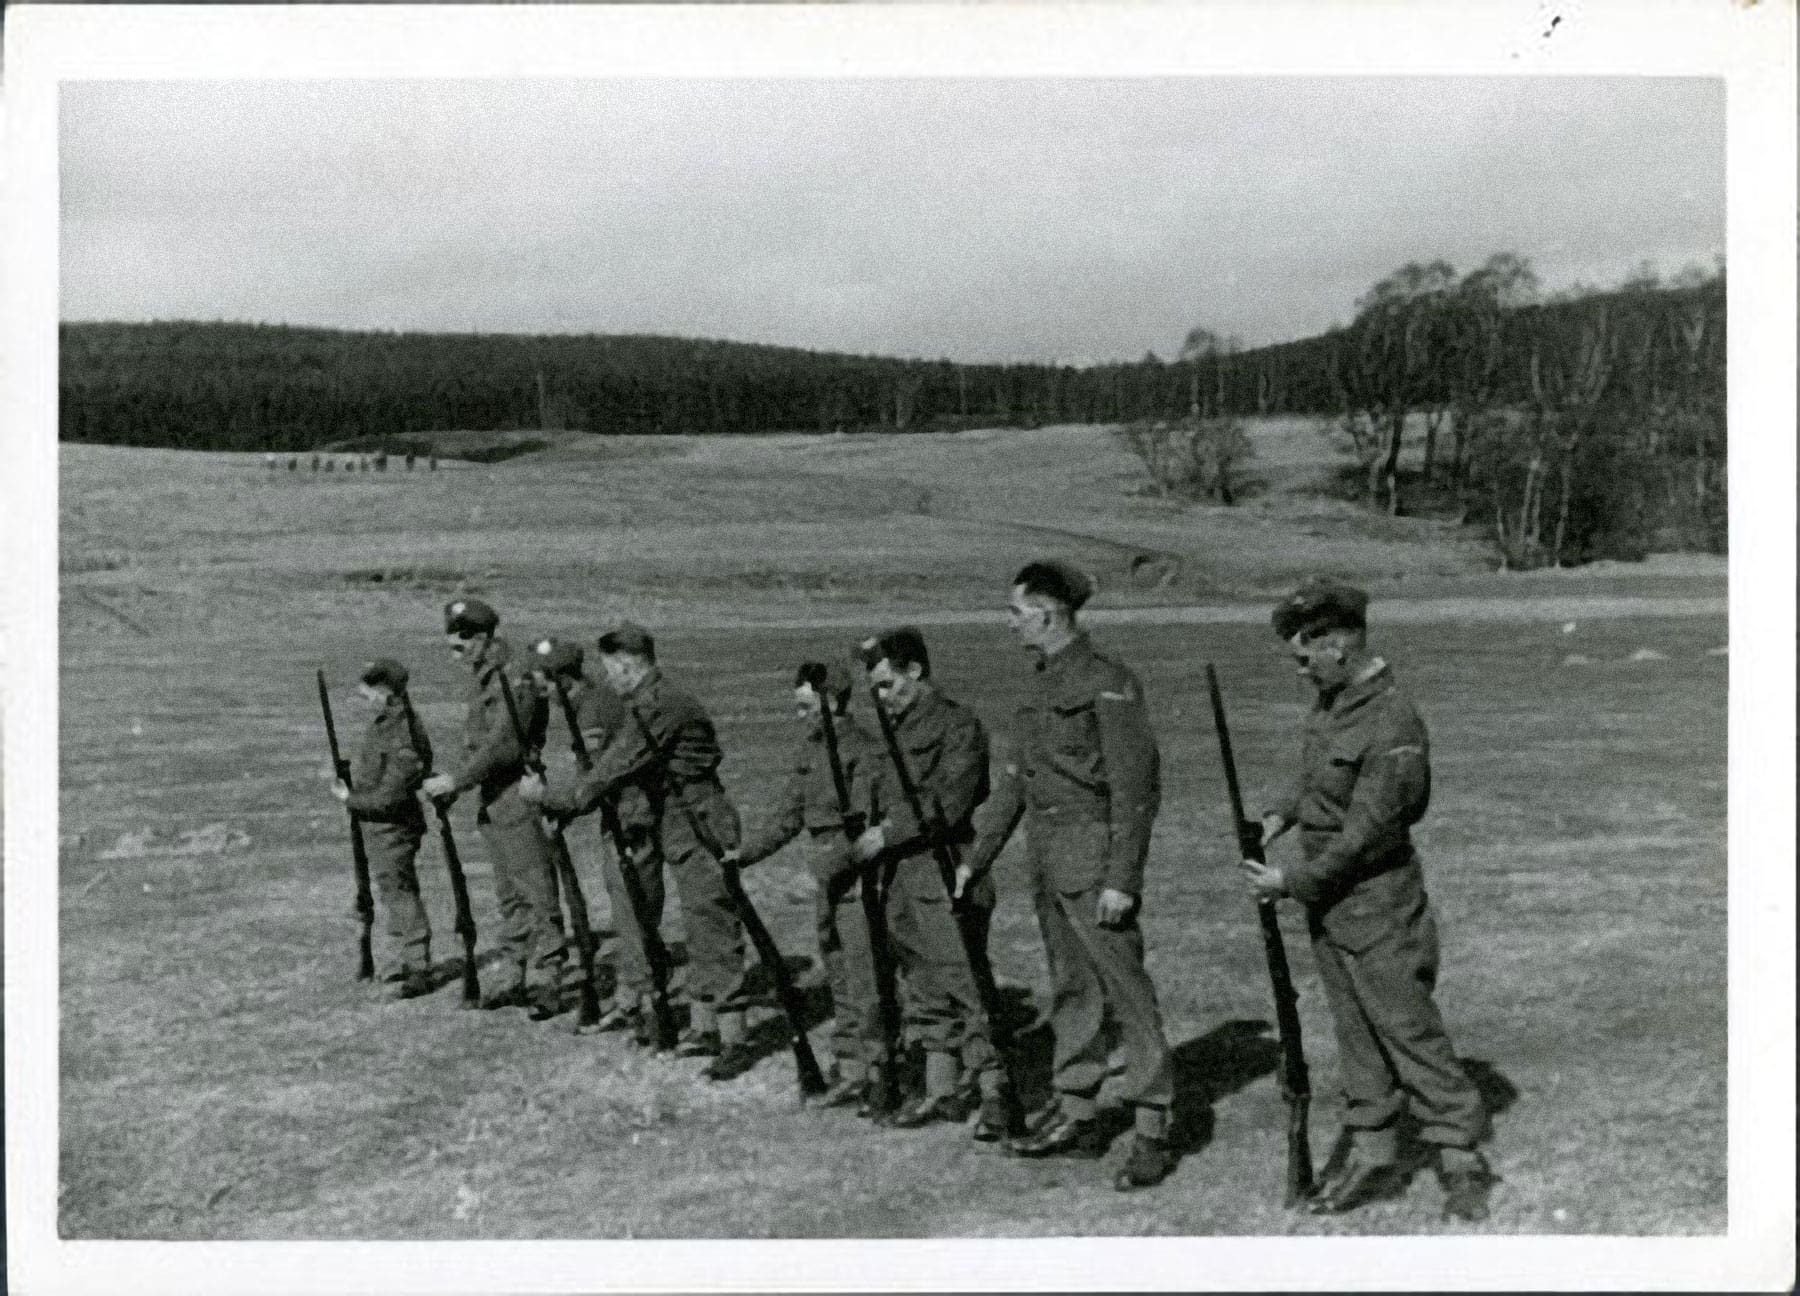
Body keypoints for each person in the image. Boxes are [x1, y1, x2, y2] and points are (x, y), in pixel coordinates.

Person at [1241, 577, 1495, 1222]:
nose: (1300, 669)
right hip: (1333, 903)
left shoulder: (1393, 719)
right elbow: (1318, 785)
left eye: (1305, 655)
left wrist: (1292, 882)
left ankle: (1462, 1160)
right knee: (1356, 1033)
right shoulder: (1334, 705)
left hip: (1376, 902)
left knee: (1408, 1031)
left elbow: (1369, 830)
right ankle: (1376, 1154)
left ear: (1339, 643)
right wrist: (1280, 817)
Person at [965, 560, 1178, 1191]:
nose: (1010, 625)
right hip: (1047, 854)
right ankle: (1079, 1113)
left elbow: (1136, 789)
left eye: (1016, 613)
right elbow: (1014, 783)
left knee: (1127, 993)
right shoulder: (1038, 684)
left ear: (1049, 613)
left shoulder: (1107, 682)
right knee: (1071, 990)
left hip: (1094, 855)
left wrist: (1124, 878)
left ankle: (1152, 1127)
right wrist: (974, 858)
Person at [524, 621, 755, 1081]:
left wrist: (548, 797)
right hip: (679, 824)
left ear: (629, 666)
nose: (609, 680)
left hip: (701, 825)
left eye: (613, 671)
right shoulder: (645, 702)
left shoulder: (661, 705)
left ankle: (734, 1038)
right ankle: (706, 1028)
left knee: (712, 928)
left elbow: (611, 768)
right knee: (696, 923)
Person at [853, 627, 1013, 1141]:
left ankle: (996, 1093)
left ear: (916, 672)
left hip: (943, 866)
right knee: (922, 985)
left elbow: (952, 798)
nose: (881, 697)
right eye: (875, 689)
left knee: (966, 982)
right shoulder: (886, 732)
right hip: (898, 876)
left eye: (887, 685)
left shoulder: (957, 723)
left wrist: (889, 832)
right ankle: (941, 1089)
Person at [723, 661, 881, 1108]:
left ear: (832, 702)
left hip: (856, 875)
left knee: (865, 972)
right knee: (838, 970)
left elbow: (871, 823)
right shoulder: (813, 752)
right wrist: (746, 853)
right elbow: (789, 813)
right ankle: (852, 1067)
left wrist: (843, 862)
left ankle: (880, 1068)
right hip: (828, 872)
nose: (800, 717)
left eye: (806, 707)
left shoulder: (862, 751)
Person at [420, 599, 569, 1018]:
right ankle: (515, 973)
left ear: (482, 638)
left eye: (460, 644)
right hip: (492, 797)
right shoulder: (485, 677)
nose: (456, 653)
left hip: (515, 794)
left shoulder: (513, 679)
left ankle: (550, 977)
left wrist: (457, 781)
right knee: (508, 892)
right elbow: (479, 744)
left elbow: (503, 745)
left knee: (536, 889)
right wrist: (459, 783)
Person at [527, 635, 662, 1041]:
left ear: (563, 681)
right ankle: (631, 997)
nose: (540, 692)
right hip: (619, 813)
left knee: (633, 909)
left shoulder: (594, 709)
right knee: (628, 909)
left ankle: (645, 1003)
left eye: (544, 684)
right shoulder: (586, 704)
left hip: (632, 815)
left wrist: (548, 799)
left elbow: (596, 778)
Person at [329, 658, 433, 999]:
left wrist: (351, 799)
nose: (366, 701)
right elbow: (377, 771)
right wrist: (351, 776)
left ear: (385, 692)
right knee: (391, 892)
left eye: (370, 694)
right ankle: (407, 957)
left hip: (393, 827)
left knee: (400, 893)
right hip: (378, 828)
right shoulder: (385, 724)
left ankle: (418, 966)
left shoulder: (402, 730)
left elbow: (391, 793)